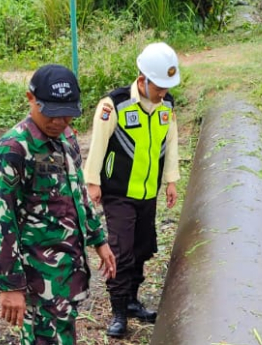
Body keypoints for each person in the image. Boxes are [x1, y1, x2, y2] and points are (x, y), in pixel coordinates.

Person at [0, 64, 116, 345]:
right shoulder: (14, 149)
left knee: (64, 335)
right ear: (30, 99)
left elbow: (78, 193)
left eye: (66, 114)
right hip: (38, 277)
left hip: (68, 270)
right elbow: (0, 219)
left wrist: (99, 240)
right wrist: (9, 285)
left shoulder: (67, 138)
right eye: (51, 113)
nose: (59, 121)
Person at [83, 42, 181, 338]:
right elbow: (98, 144)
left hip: (148, 192)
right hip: (119, 193)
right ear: (142, 80)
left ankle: (132, 300)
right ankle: (118, 311)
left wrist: (171, 180)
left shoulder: (166, 106)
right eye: (159, 87)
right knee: (121, 251)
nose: (162, 92)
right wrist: (93, 181)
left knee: (141, 248)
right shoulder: (114, 105)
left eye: (167, 87)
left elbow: (171, 142)